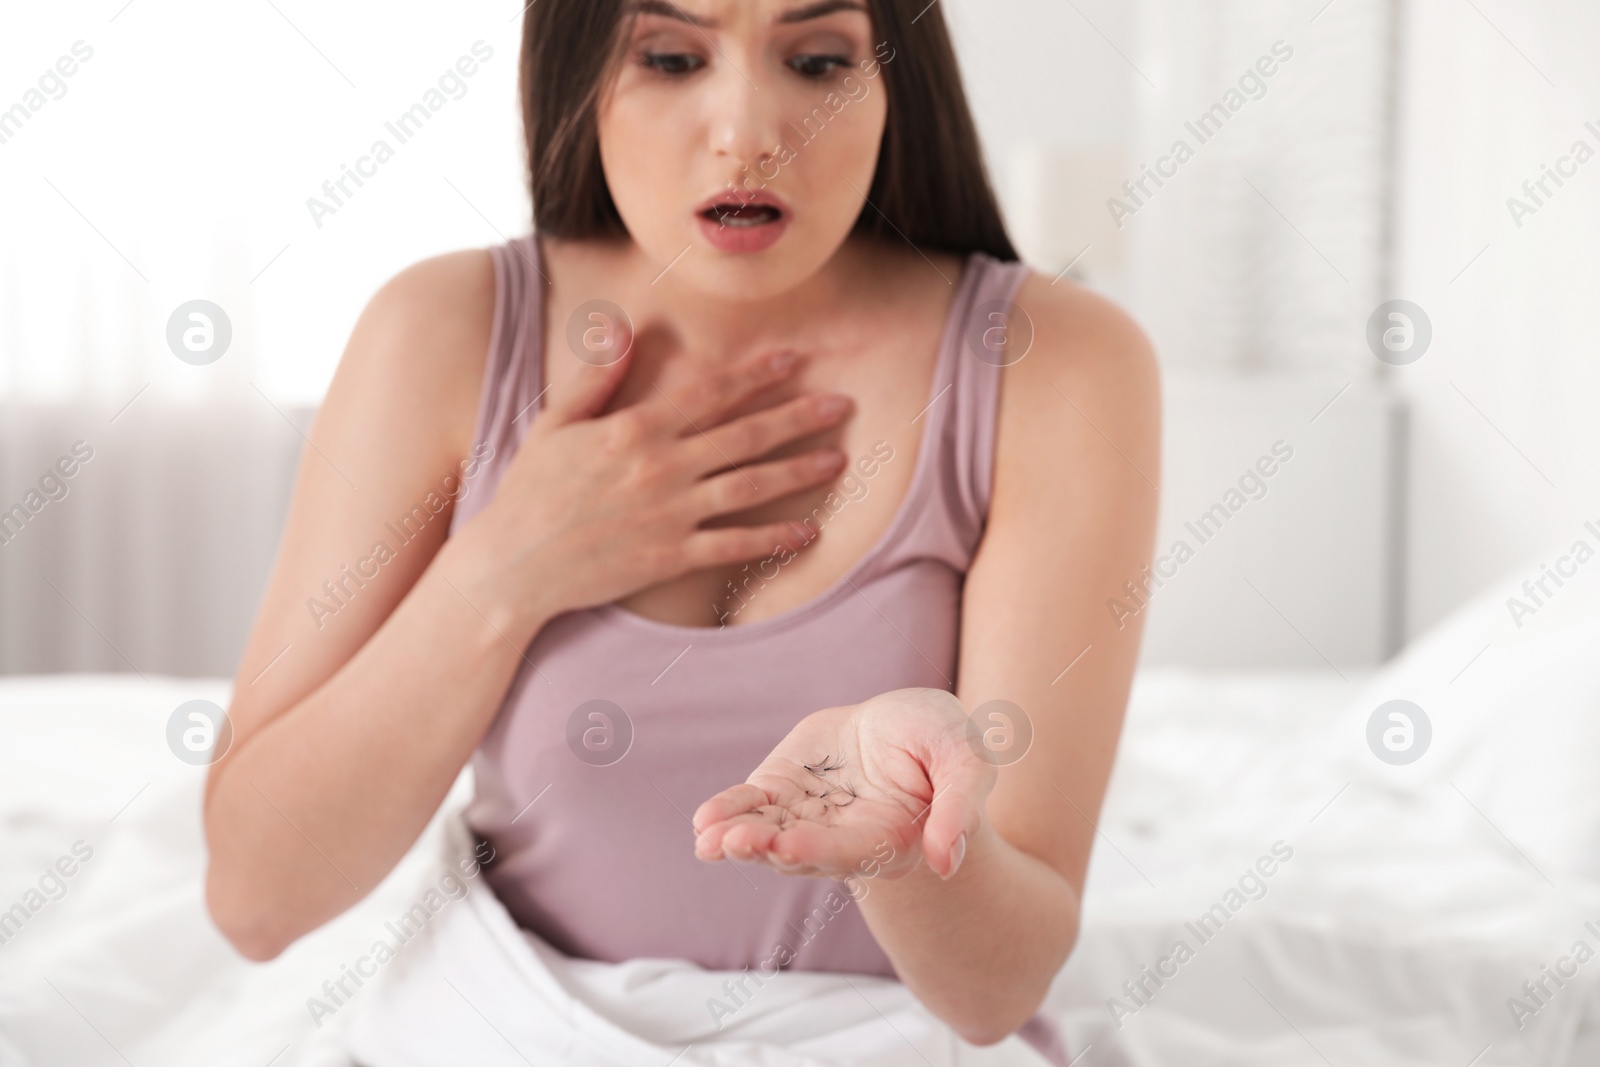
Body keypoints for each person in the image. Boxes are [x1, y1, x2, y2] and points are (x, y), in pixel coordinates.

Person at [202, 0, 1160, 1061]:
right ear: (578, 78)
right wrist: (504, 568)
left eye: (815, 59)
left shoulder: (1053, 361)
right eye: (668, 56)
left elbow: (998, 986)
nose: (748, 131)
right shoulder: (440, 330)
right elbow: (256, 899)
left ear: (896, 81)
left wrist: (897, 842)